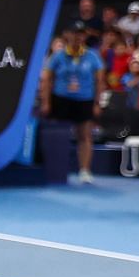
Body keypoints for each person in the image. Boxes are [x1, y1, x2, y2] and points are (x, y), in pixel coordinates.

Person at [39, 21, 106, 185]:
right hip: (61, 99)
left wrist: (97, 103)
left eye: (80, 33)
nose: (77, 36)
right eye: (74, 33)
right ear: (67, 35)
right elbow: (47, 80)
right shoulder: (57, 56)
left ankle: (85, 171)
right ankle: (56, 169)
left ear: (84, 36)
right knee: (57, 136)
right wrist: (46, 102)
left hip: (84, 100)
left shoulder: (93, 56)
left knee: (84, 136)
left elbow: (100, 81)